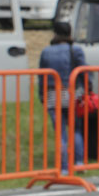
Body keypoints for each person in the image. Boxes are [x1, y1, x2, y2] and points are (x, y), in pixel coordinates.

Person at [37, 20, 87, 175]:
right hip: (71, 92)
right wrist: (87, 89)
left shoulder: (46, 52)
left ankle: (64, 167)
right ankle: (79, 162)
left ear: (55, 33)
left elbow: (41, 77)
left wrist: (42, 95)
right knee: (76, 129)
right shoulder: (76, 50)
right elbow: (84, 72)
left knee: (60, 131)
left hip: (52, 93)